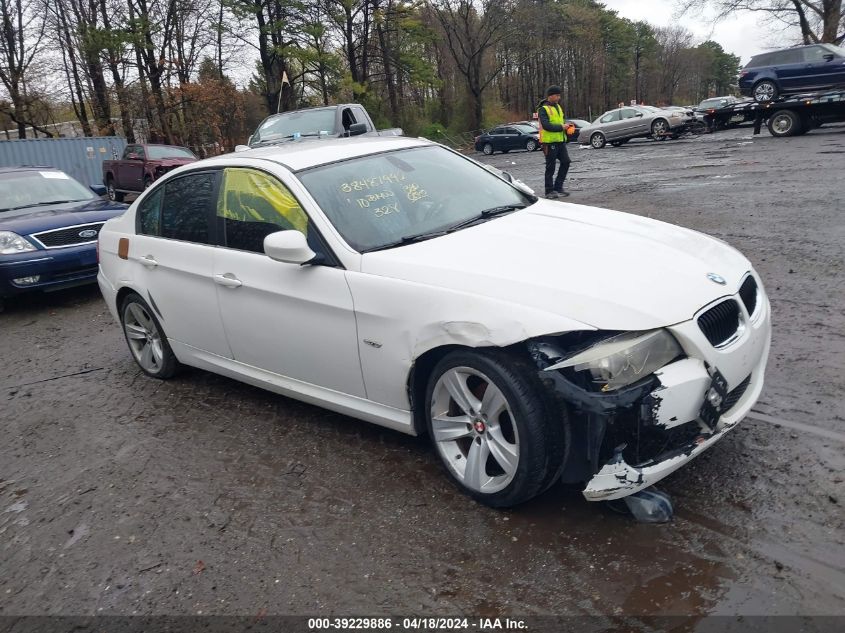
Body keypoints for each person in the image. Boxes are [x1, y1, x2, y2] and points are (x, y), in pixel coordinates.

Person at [537, 85, 573, 198]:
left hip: (560, 141)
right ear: (550, 96)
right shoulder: (543, 109)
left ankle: (558, 187)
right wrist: (562, 127)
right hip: (549, 142)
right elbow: (546, 126)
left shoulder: (558, 107)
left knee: (566, 162)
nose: (559, 97)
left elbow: (560, 121)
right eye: (557, 95)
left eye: (559, 95)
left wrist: (567, 127)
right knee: (550, 167)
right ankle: (549, 191)